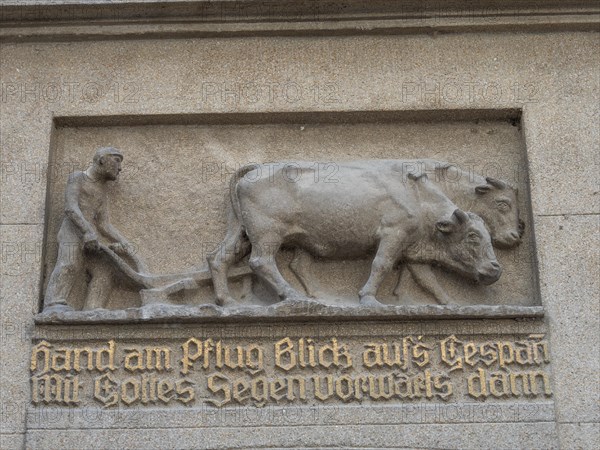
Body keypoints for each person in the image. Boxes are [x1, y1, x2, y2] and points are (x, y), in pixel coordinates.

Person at [43, 147, 144, 312]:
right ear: (102, 160)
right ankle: (53, 304)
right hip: (72, 232)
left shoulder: (101, 191)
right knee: (69, 264)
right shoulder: (78, 178)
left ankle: (92, 307)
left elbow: (104, 224)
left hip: (91, 239)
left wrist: (123, 242)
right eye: (117, 161)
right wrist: (87, 231)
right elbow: (71, 208)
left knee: (105, 269)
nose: (120, 168)